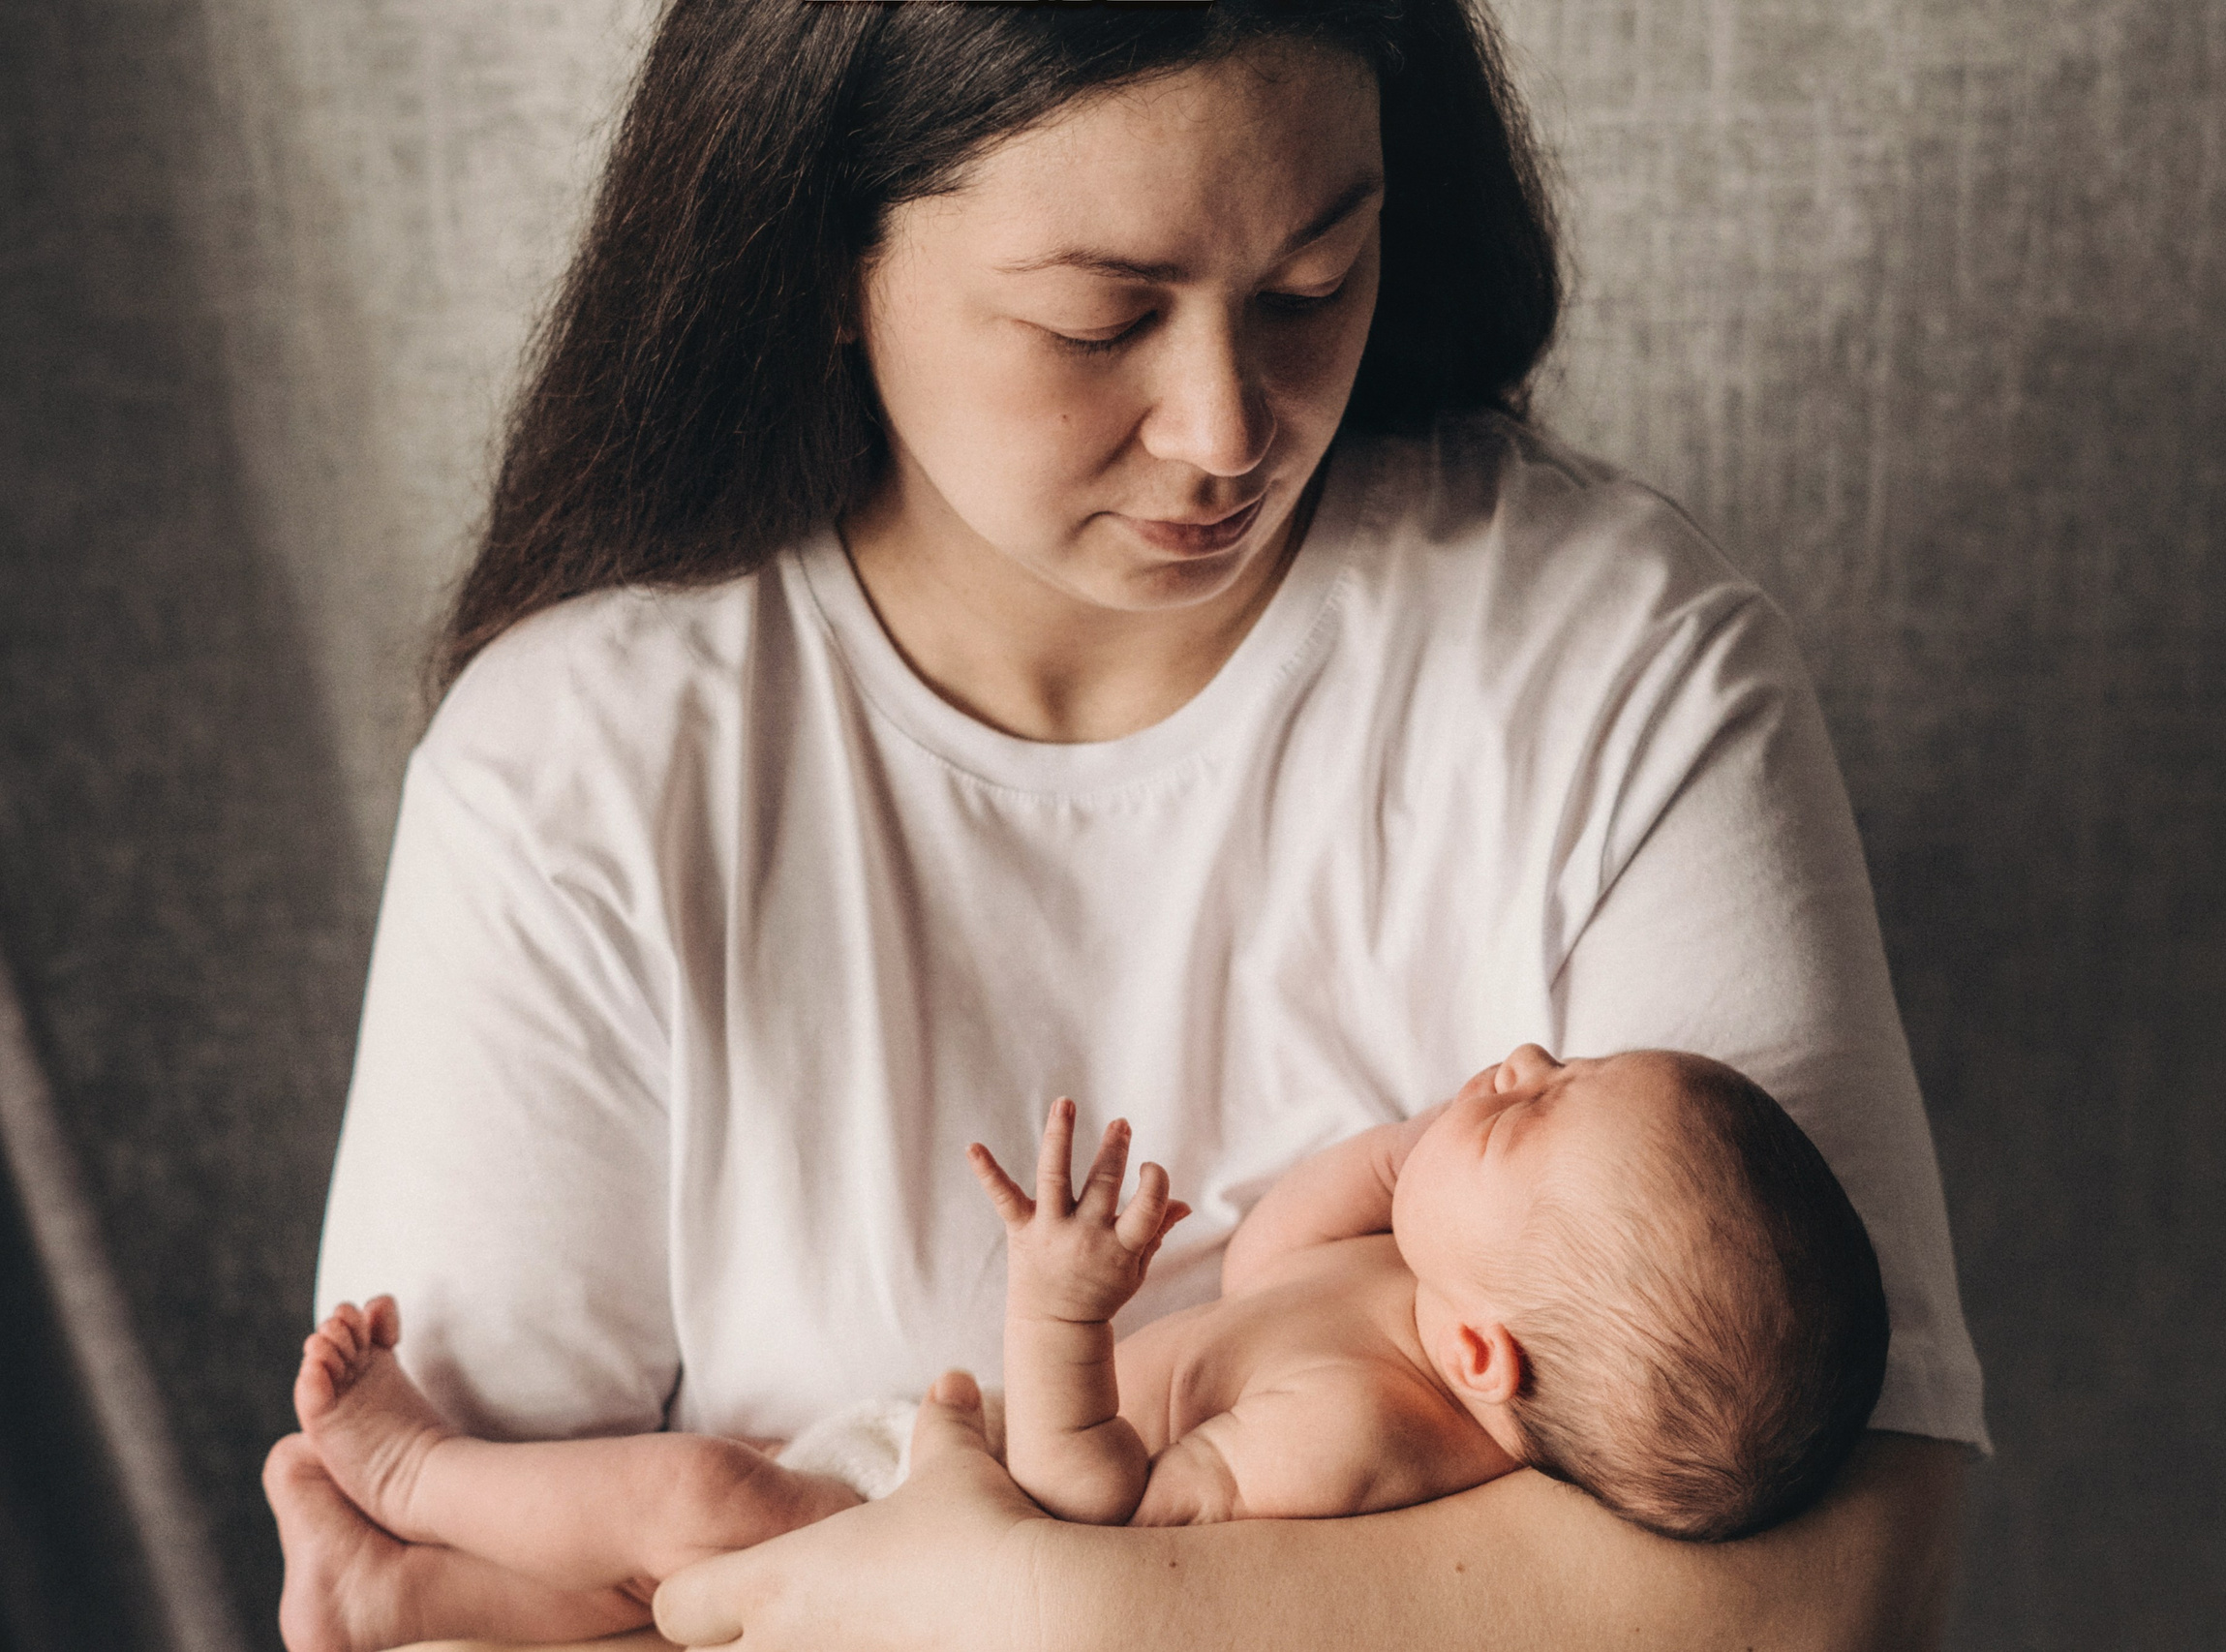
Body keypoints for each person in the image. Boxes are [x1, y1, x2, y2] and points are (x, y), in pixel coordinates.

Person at [262, 4, 1988, 1649]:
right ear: (824, 266)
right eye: (1100, 319)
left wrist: (1053, 1611)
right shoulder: (574, 775)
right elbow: (436, 1592)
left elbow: (1838, 1592)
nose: (1231, 430)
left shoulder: (1615, 666)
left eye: (1316, 283)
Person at [280, 1046, 1892, 1650]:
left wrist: (1062, 1307)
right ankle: (398, 1597)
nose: (1521, 1055)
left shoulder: (1363, 1435)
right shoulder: (1414, 1301)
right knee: (654, 1592)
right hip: (916, 1509)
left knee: (704, 1504)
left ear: (1484, 1349)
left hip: (941, 1542)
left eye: (1535, 1107)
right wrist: (1439, 1147)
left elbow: (1101, 1513)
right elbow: (1271, 1253)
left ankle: (414, 1470)